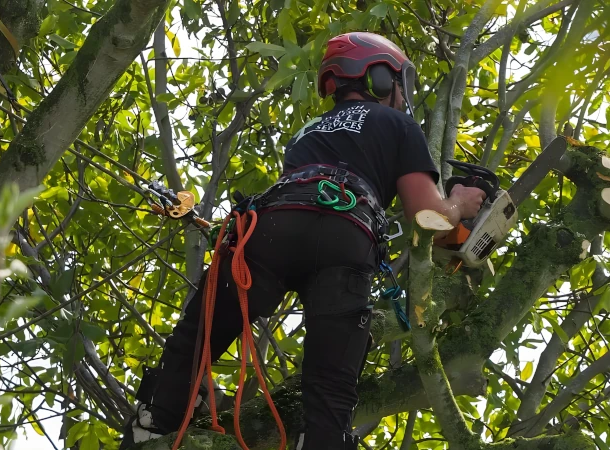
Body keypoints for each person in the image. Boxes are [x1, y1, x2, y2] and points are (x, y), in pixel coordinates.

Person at [120, 32, 486, 449]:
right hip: (345, 238)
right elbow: (428, 217)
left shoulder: (308, 132)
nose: (402, 95)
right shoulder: (397, 123)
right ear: (382, 78)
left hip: (268, 231)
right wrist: (459, 202)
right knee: (331, 391)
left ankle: (154, 422)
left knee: (194, 342)